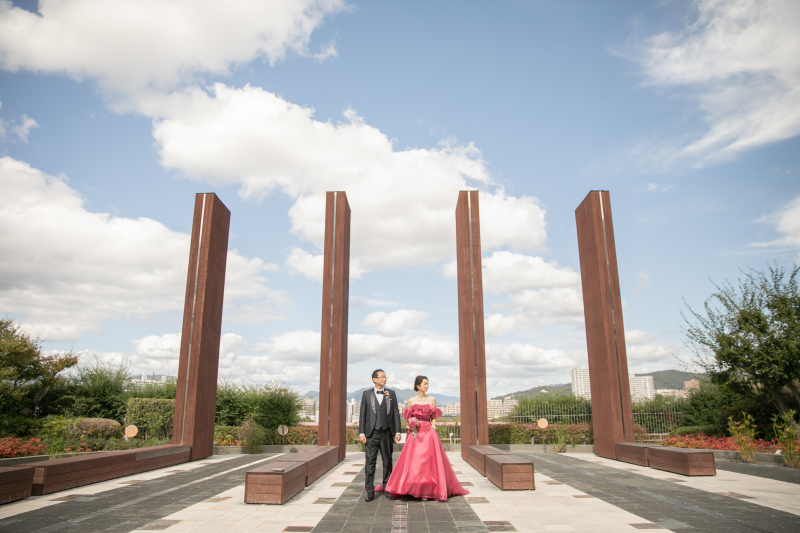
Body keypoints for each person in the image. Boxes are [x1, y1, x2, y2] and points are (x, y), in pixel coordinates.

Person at [385, 375, 469, 501]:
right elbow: (408, 418)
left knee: (429, 461)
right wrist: (410, 424)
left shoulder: (432, 400)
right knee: (415, 461)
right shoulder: (411, 401)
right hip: (415, 433)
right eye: (425, 384)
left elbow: (433, 416)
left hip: (428, 432)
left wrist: (433, 425)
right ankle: (412, 487)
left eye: (428, 384)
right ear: (418, 386)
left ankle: (430, 489)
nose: (427, 386)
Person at [358, 369, 402, 502]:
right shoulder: (366, 394)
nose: (384, 379)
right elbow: (363, 415)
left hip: (387, 432)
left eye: (385, 377)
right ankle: (369, 491)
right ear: (374, 379)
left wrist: (398, 431)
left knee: (387, 461)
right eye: (381, 377)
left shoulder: (391, 394)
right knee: (370, 462)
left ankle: (387, 488)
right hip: (371, 434)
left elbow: (395, 414)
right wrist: (361, 433)